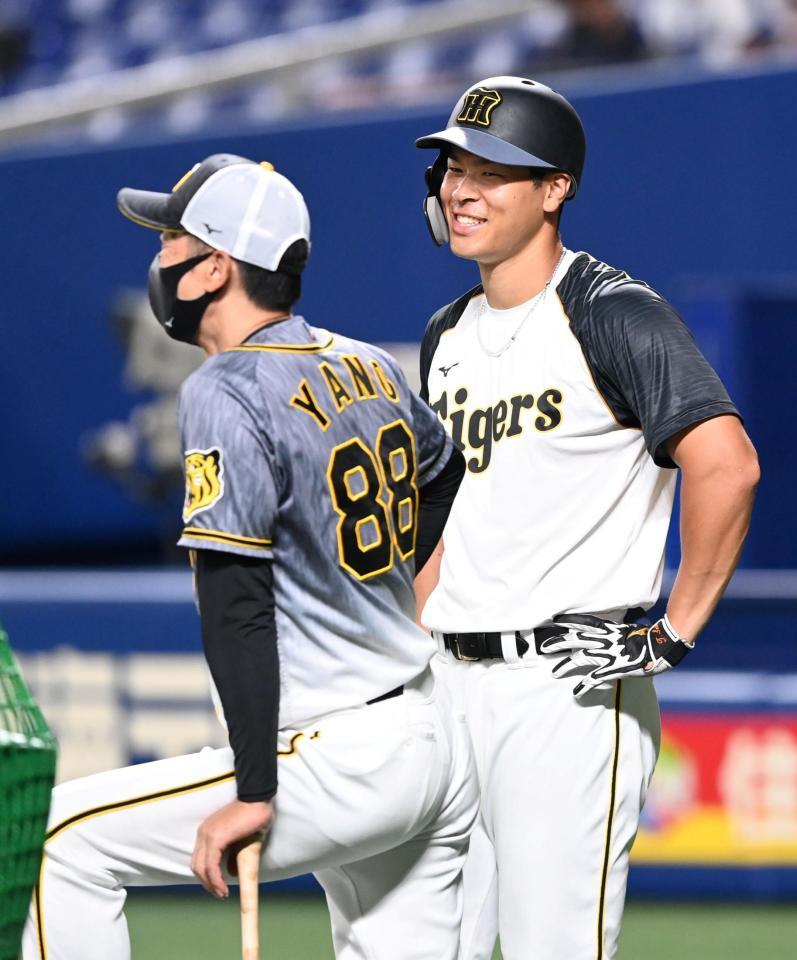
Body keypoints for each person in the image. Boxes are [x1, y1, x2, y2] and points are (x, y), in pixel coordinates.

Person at [23, 154, 477, 960]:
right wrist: (379, 587)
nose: (160, 259)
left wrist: (253, 788)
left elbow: (235, 600)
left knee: (56, 842)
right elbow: (445, 471)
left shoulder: (224, 388)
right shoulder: (365, 362)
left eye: (172, 241)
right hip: (430, 738)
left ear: (215, 268)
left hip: (332, 757)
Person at [413, 77, 760, 960]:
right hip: (446, 683)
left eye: (492, 171)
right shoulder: (446, 333)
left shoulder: (611, 311)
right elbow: (448, 524)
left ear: (554, 188)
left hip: (563, 686)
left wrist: (674, 629)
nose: (462, 190)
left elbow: (727, 465)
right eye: (453, 168)